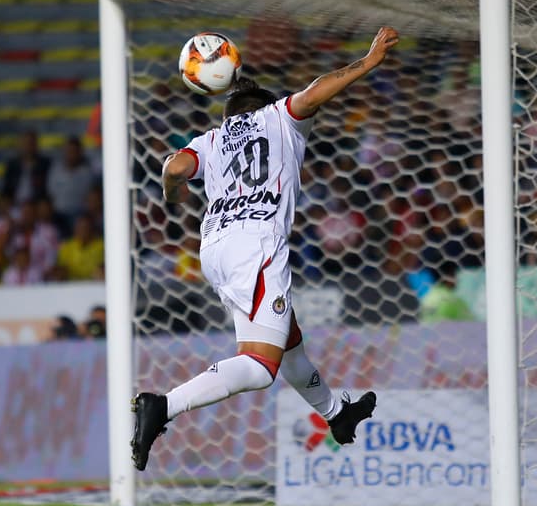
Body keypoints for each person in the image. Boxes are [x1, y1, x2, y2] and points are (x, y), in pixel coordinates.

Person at [129, 26, 400, 471]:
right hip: (256, 242)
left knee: (288, 344)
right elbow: (313, 94)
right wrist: (366, 62)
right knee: (258, 366)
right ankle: (162, 406)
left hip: (215, 247)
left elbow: (176, 168)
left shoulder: (211, 141)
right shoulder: (279, 117)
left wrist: (172, 193)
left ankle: (336, 411)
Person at [46, 135, 94, 225]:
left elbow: (88, 198)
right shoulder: (56, 170)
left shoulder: (86, 172)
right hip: (57, 213)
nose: (71, 154)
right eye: (69, 151)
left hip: (79, 213)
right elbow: (50, 193)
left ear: (80, 152)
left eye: (74, 151)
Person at [0, 129, 50, 205]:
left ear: (36, 145)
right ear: (21, 145)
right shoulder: (12, 165)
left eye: (31, 143)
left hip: (36, 207)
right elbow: (6, 190)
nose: (28, 146)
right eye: (26, 143)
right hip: (15, 205)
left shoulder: (44, 165)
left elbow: (45, 192)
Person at [52, 213, 103, 281]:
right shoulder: (67, 247)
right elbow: (61, 267)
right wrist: (60, 271)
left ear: (93, 229)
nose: (83, 231)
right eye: (80, 227)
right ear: (75, 229)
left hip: (96, 286)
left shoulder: (102, 246)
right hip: (71, 287)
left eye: (86, 228)